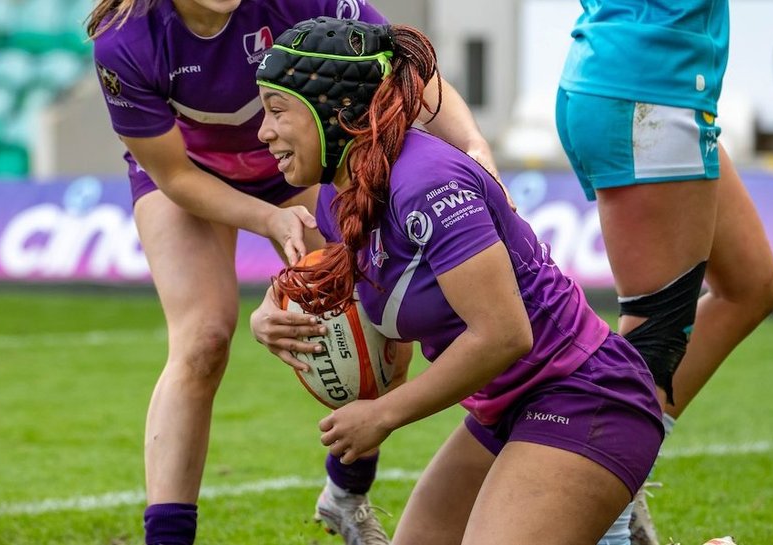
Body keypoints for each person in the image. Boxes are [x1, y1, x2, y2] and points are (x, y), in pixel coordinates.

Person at [85, 2, 498, 544]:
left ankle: (345, 497)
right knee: (202, 340)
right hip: (193, 176)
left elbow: (399, 62)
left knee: (380, 334)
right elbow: (175, 175)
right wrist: (269, 219)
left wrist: (473, 145)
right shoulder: (125, 42)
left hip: (310, 155)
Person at [250, 17, 664, 545]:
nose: (263, 132)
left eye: (277, 110)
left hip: (585, 394)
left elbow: (504, 334)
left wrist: (383, 414)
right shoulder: (339, 195)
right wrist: (273, 312)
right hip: (503, 409)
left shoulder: (427, 182)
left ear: (335, 108)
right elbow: (337, 295)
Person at [556, 1, 773, 543]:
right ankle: (607, 522)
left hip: (650, 84)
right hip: (647, 91)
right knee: (654, 339)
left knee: (750, 286)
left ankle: (619, 486)